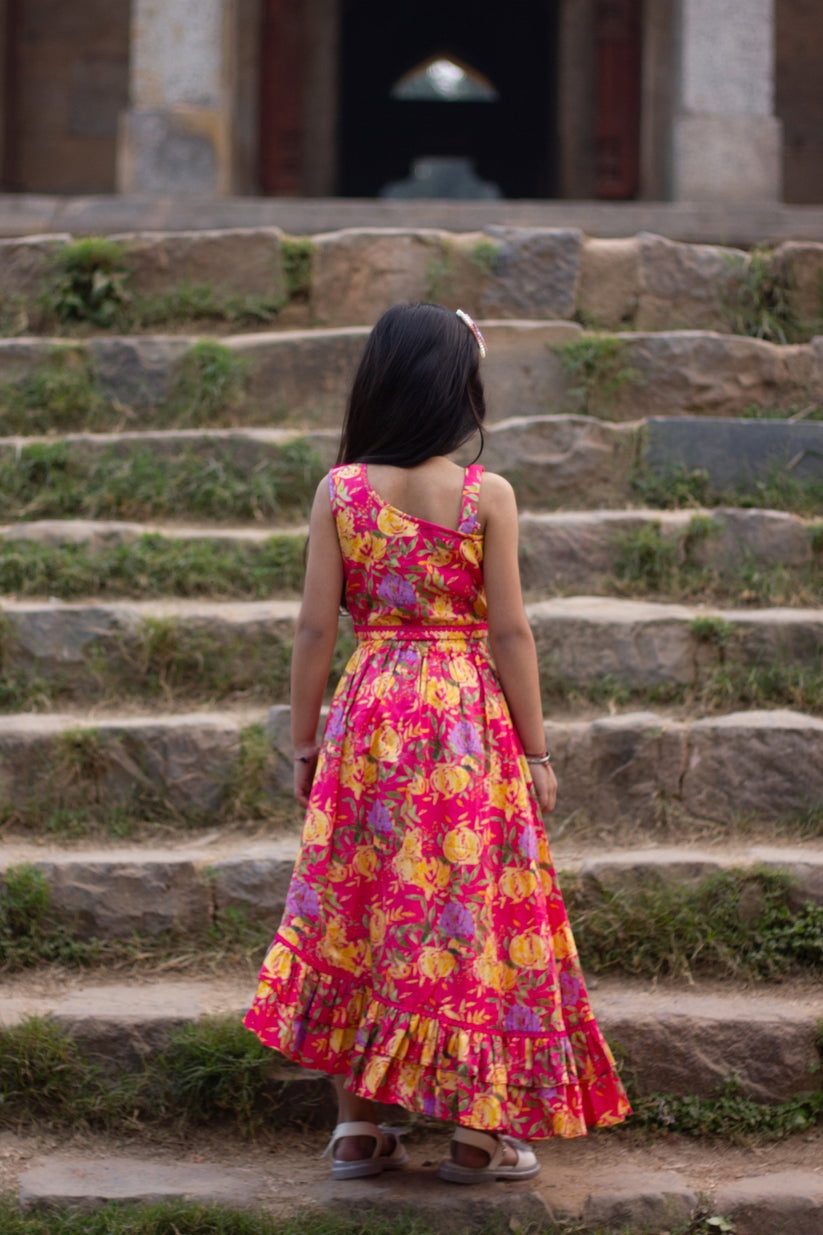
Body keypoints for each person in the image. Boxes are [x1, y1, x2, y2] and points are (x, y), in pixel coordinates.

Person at [244, 303, 631, 1183]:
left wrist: (304, 745)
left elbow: (312, 631)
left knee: (361, 901)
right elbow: (512, 634)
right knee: (463, 913)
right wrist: (535, 755)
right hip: (462, 721)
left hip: (369, 712)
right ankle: (473, 1133)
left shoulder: (339, 491)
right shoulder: (484, 494)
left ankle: (354, 1129)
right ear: (459, 387)